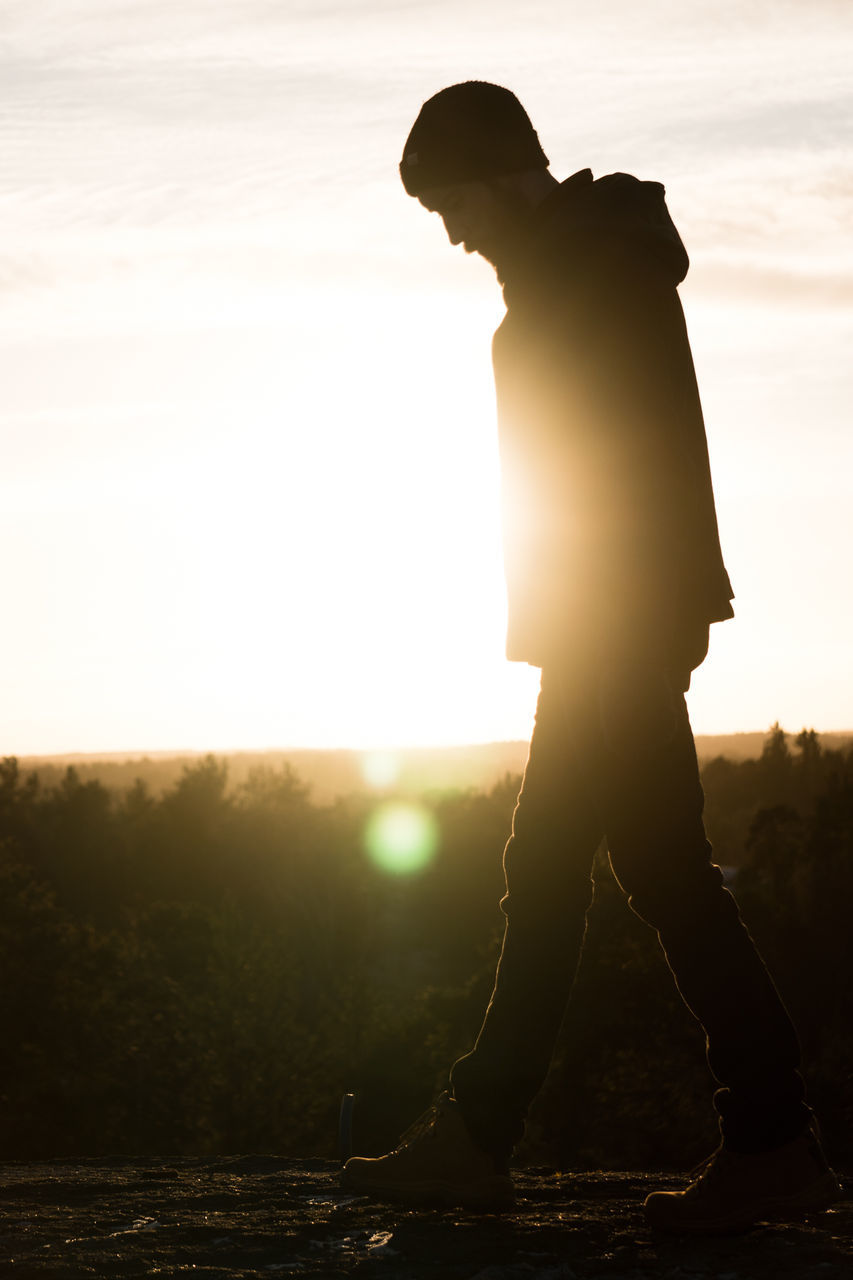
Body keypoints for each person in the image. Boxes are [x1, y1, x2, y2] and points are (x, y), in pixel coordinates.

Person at [342, 82, 840, 1232]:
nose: (451, 233)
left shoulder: (588, 268)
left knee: (662, 871)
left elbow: (615, 465)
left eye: (449, 204)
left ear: (499, 171)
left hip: (616, 618)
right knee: (547, 868)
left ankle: (772, 1136)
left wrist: (633, 614)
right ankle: (481, 1132)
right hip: (597, 622)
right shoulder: (570, 268)